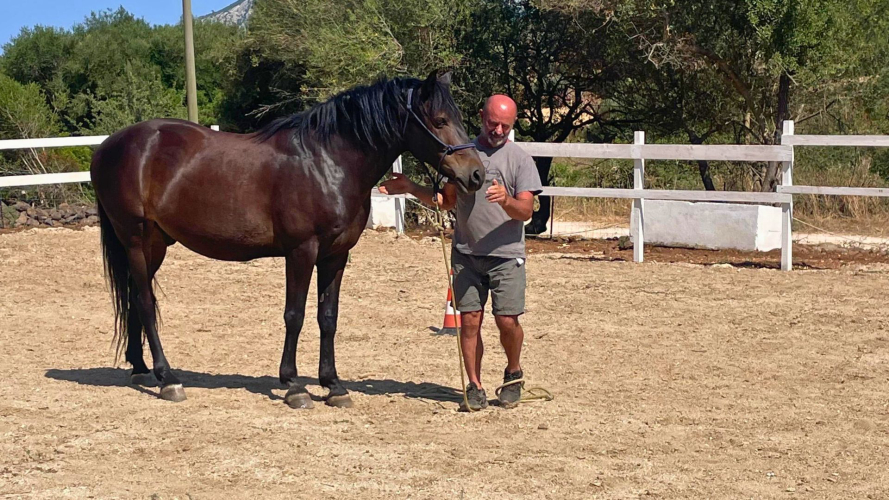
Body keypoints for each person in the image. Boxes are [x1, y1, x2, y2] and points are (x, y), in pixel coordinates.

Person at [380, 94, 543, 410]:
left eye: (505, 126)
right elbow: (447, 200)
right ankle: (474, 385)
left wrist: (506, 200)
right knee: (469, 320)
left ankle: (513, 371)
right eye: (492, 122)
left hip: (506, 255)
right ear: (481, 115)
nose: (497, 130)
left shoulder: (521, 160)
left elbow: (526, 211)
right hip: (466, 252)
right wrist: (412, 188)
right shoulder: (461, 153)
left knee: (507, 320)